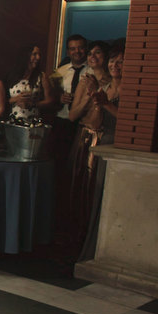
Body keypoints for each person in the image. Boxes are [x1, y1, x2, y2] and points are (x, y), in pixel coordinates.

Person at [67, 40, 112, 238]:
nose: (93, 57)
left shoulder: (114, 81)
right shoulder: (85, 81)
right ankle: (75, 229)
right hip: (85, 136)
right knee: (79, 181)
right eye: (90, 54)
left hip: (105, 137)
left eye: (98, 53)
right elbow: (72, 115)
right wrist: (89, 95)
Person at [7, 44, 54, 125]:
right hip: (13, 121)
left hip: (33, 122)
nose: (38, 58)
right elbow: (3, 101)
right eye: (34, 54)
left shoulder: (41, 76)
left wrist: (33, 104)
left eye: (39, 55)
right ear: (25, 55)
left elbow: (50, 101)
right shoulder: (12, 75)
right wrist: (16, 99)